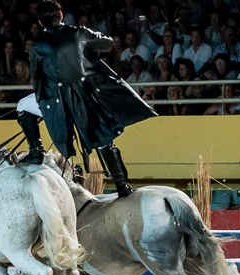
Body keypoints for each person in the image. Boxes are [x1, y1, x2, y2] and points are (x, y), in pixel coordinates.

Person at [26, 1, 156, 197]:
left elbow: (37, 79)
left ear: (40, 22)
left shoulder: (37, 46)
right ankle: (122, 184)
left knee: (22, 107)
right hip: (84, 98)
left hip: (56, 103)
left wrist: (45, 105)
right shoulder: (78, 33)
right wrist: (86, 47)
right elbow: (108, 42)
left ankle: (36, 150)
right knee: (104, 139)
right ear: (61, 15)